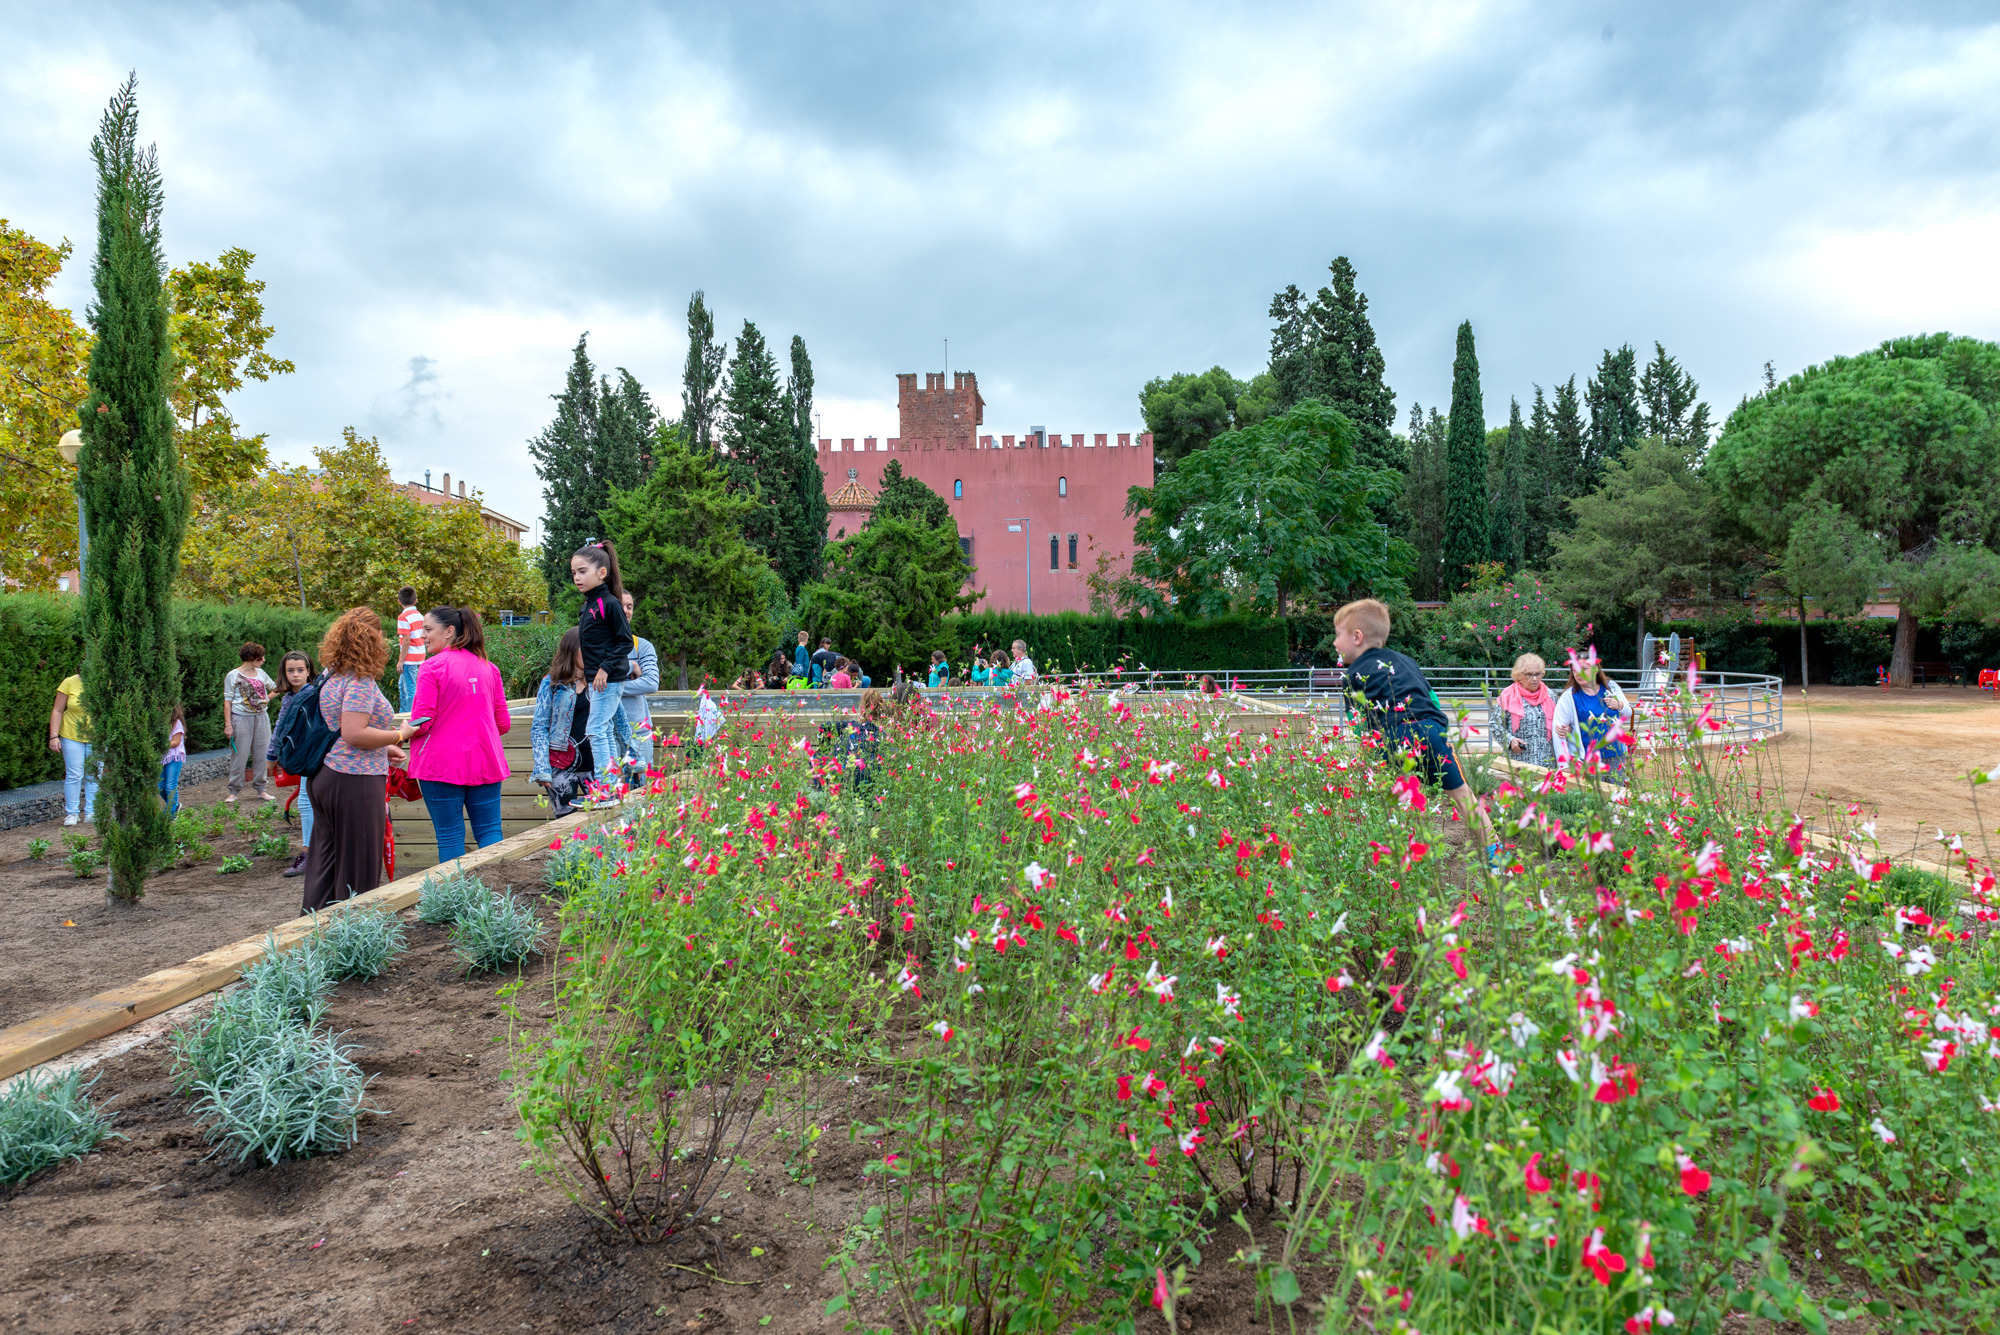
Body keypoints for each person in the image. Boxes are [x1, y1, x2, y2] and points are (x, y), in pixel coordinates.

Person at [1330, 598, 1497, 858]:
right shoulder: (1406, 661)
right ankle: (1496, 854)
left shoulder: (1353, 675)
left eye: (1337, 635)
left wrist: (1367, 756)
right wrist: (1438, 729)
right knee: (1463, 795)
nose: (1334, 642)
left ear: (1357, 637)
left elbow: (1359, 724)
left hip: (1391, 736)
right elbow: (1433, 699)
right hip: (1430, 729)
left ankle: (1393, 856)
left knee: (1386, 799)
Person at [302, 607, 412, 914]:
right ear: (372, 638)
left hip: (325, 776)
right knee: (358, 871)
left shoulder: (329, 676)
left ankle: (308, 939)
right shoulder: (359, 680)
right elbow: (354, 733)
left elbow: (337, 727)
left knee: (324, 865)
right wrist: (398, 737)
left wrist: (382, 746)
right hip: (353, 781)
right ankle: (354, 946)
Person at [407, 605, 511, 862]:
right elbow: (503, 724)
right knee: (490, 831)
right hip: (485, 761)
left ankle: (456, 900)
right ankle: (495, 896)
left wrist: (400, 734)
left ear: (450, 631)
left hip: (440, 765)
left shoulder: (431, 668)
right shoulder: (490, 668)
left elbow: (422, 722)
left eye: (428, 629)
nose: (423, 636)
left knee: (450, 836)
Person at [571, 538, 633, 788]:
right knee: (603, 730)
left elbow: (625, 642)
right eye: (574, 572)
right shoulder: (589, 604)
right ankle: (611, 785)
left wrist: (604, 669)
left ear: (602, 572)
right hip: (597, 680)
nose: (577, 577)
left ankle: (605, 788)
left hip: (608, 679)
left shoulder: (609, 603)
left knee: (595, 730)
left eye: (582, 571)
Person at [530, 628, 594, 816]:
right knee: (566, 825)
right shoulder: (552, 683)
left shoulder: (600, 681)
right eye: (585, 648)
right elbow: (539, 726)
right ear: (571, 649)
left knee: (606, 821)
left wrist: (632, 759)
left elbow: (619, 721)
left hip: (597, 764)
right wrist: (542, 768)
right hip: (561, 766)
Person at [271, 651, 318, 877]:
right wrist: (272, 755)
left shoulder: (313, 694)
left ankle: (309, 853)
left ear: (309, 672)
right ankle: (312, 851)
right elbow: (280, 728)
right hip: (304, 758)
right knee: (306, 801)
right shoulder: (289, 698)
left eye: (300, 670)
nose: (296, 675)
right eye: (291, 670)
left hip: (314, 756)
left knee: (306, 802)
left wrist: (272, 756)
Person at [1553, 654, 1633, 773]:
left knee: (1617, 790)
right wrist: (1564, 764)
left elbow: (1628, 713)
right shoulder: (1569, 696)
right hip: (1588, 760)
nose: (1578, 674)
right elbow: (1558, 730)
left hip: (1616, 755)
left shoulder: (1611, 687)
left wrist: (1619, 706)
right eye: (1574, 670)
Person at [223, 642, 278, 803]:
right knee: (239, 754)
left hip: (261, 718)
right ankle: (233, 791)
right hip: (240, 718)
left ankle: (261, 789)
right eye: (260, 657)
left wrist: (266, 699)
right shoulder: (233, 675)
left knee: (261, 754)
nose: (264, 660)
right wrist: (228, 724)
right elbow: (227, 701)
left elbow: (276, 688)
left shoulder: (261, 673)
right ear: (251, 658)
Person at [616, 588, 660, 774]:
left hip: (639, 734)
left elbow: (651, 683)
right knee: (610, 794)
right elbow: (590, 682)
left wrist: (611, 686)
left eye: (630, 607)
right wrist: (631, 666)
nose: (626, 611)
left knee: (640, 794)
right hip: (607, 736)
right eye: (621, 606)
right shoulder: (598, 645)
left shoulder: (642, 646)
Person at [1492, 653, 1559, 769]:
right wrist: (1510, 740)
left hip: (1546, 762)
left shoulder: (1550, 695)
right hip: (1518, 762)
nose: (1534, 679)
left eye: (1538, 674)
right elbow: (1495, 724)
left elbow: (1560, 723)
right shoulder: (1508, 695)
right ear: (1519, 675)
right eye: (1529, 675)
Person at [47, 672, 96, 826]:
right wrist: (53, 736)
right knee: (74, 774)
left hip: (97, 736)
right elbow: (57, 710)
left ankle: (92, 811)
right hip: (71, 734)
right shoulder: (69, 682)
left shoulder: (104, 681)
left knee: (94, 774)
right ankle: (72, 813)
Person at [395, 585, 425, 713]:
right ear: (416, 600)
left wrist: (401, 660)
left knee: (410, 688)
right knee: (403, 686)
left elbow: (406, 640)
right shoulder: (419, 615)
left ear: (399, 602)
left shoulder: (403, 617)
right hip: (420, 654)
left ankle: (409, 716)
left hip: (409, 658)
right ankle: (403, 711)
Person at [159, 705, 186, 818]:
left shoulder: (176, 724)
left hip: (174, 757)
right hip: (162, 758)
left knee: (170, 785)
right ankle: (174, 805)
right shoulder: (159, 725)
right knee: (160, 787)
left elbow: (176, 741)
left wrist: (162, 745)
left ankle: (170, 814)